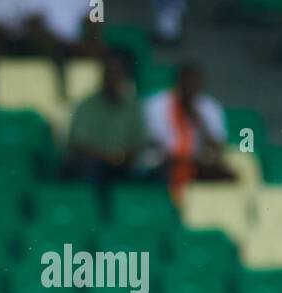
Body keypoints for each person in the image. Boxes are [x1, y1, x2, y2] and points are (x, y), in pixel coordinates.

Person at [142, 62, 234, 200]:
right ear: (178, 84)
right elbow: (157, 142)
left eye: (194, 85)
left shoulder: (209, 107)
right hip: (162, 162)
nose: (190, 90)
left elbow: (217, 146)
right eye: (186, 85)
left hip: (196, 164)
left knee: (227, 176)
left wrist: (198, 120)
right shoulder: (157, 104)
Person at [63, 53, 146, 187]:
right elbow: (77, 143)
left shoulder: (133, 106)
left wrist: (122, 157)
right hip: (95, 164)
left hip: (124, 165)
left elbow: (139, 141)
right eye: (110, 73)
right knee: (89, 169)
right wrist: (108, 157)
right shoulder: (87, 105)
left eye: (117, 73)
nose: (113, 78)